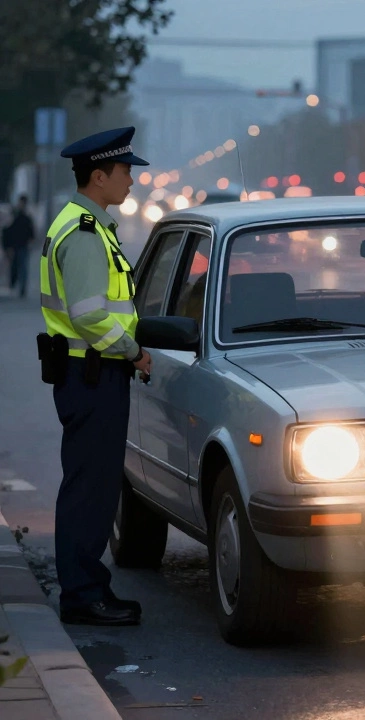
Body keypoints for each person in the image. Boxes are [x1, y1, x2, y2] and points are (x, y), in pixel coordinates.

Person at [38, 127, 152, 627]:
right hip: (94, 375)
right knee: (91, 488)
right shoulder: (84, 233)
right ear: (99, 176)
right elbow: (89, 315)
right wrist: (135, 353)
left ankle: (88, 587)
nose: (131, 180)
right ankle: (83, 595)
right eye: (126, 172)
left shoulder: (89, 224)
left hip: (87, 375)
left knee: (92, 485)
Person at [3, 195, 35, 296]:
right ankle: (14, 284)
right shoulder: (15, 215)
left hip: (22, 245)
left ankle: (22, 288)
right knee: (15, 266)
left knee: (23, 267)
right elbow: (8, 231)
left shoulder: (26, 216)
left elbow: (31, 231)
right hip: (15, 245)